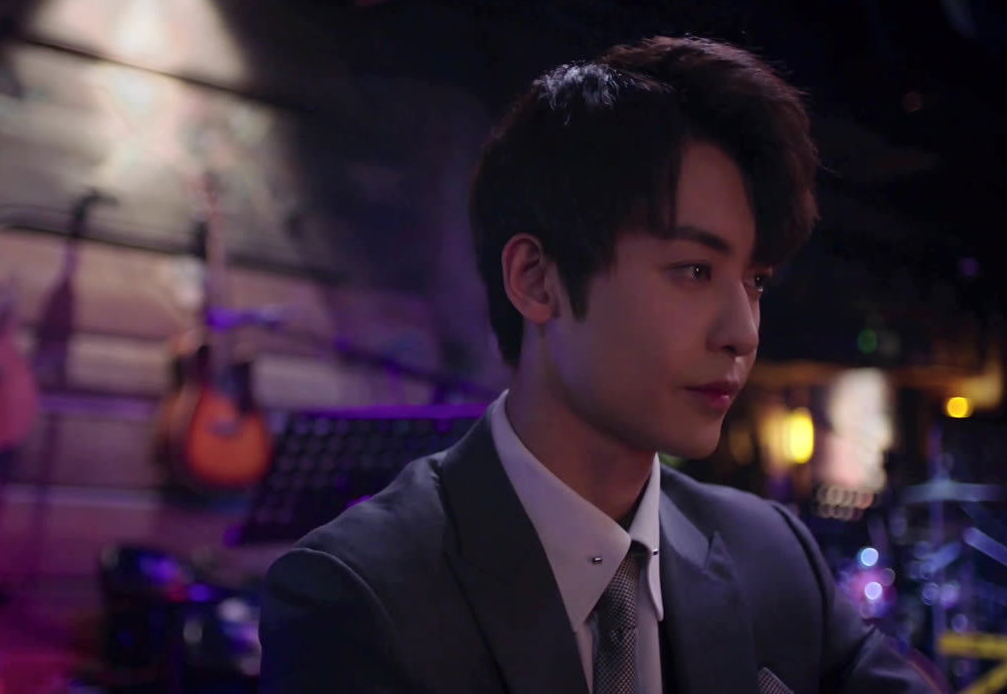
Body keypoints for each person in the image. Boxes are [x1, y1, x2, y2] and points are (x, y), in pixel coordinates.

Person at [258, 36, 938, 694]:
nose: (743, 332)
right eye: (694, 270)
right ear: (537, 280)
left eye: (755, 281)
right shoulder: (361, 596)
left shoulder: (774, 556)